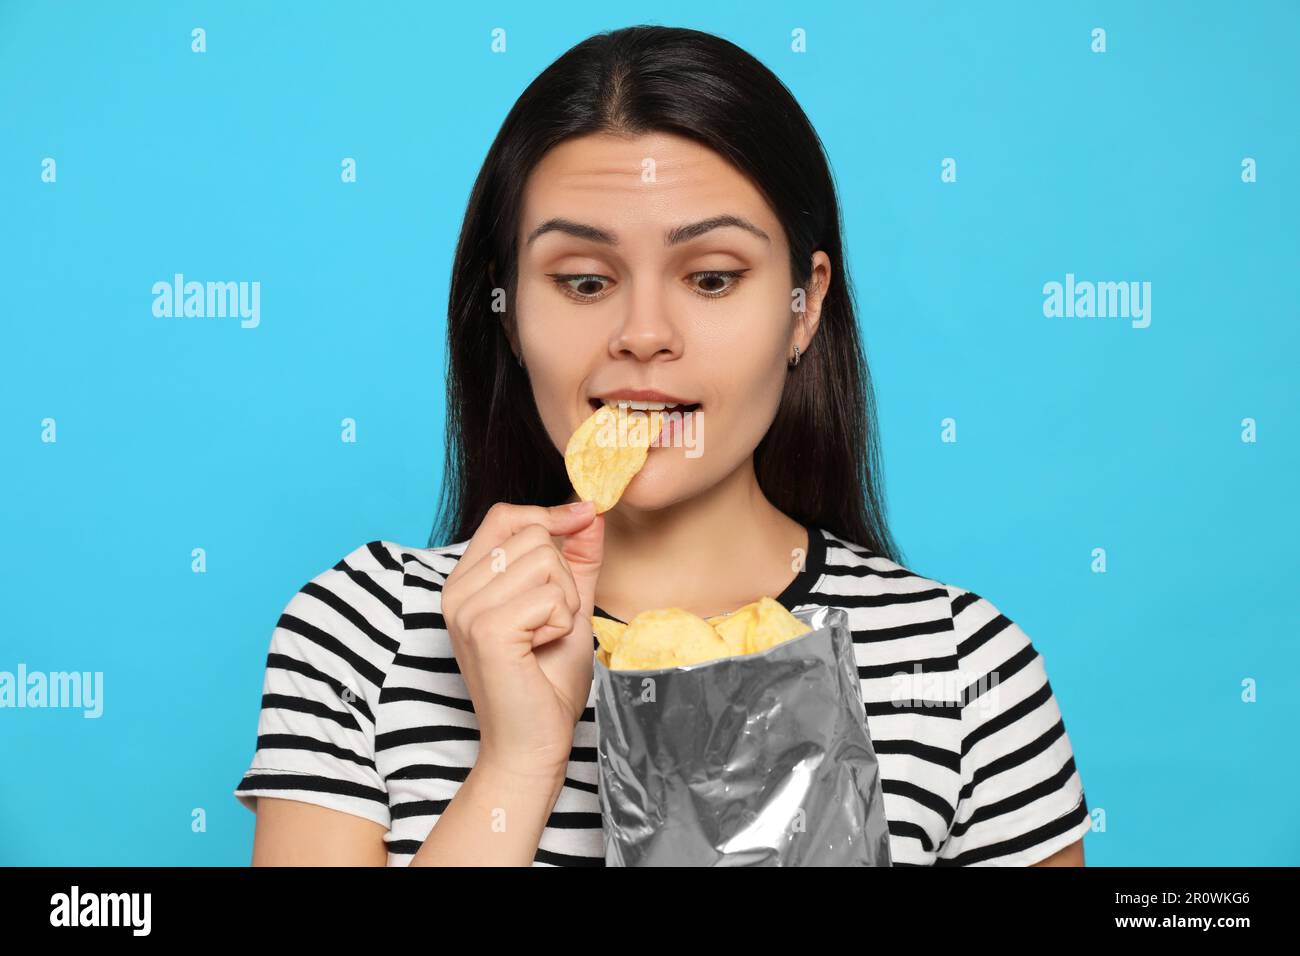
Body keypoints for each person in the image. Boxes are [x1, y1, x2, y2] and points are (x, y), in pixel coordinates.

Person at [234, 25, 1089, 866]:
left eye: (712, 277)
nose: (643, 335)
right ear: (510, 313)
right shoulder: (365, 635)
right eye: (584, 281)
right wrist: (517, 762)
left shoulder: (961, 670)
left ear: (806, 306)